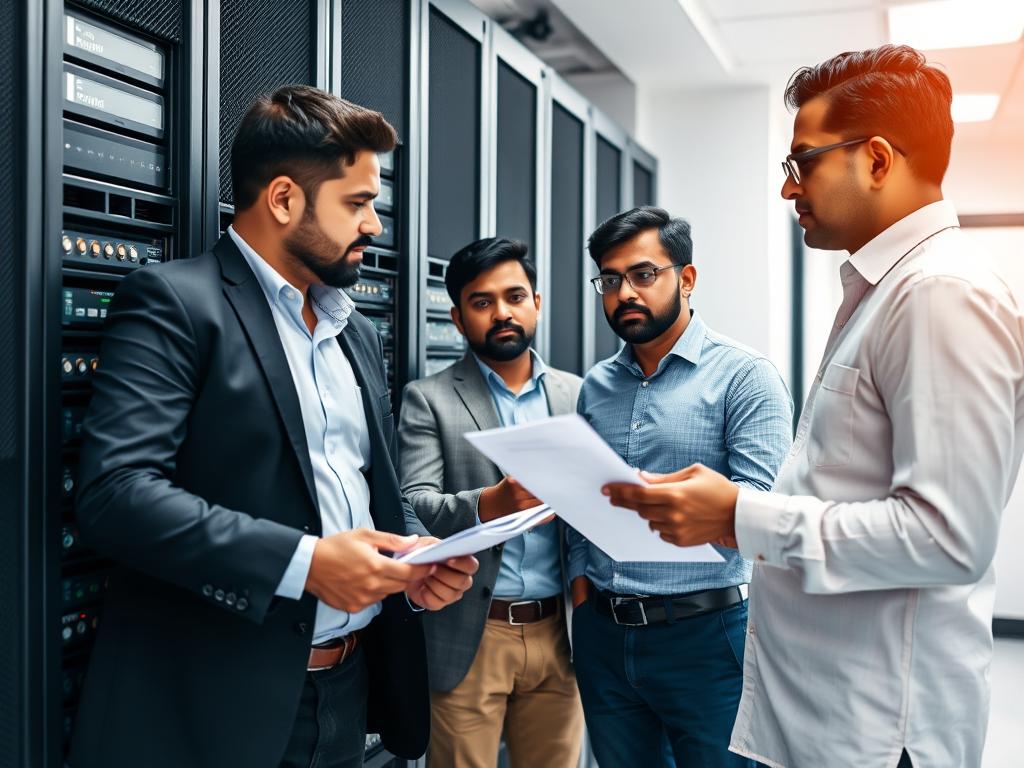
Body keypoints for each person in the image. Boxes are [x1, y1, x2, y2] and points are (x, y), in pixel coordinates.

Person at [605, 45, 1024, 768]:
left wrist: (737, 515)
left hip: (880, 735)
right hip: (833, 719)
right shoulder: (884, 291)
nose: (788, 190)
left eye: (803, 163)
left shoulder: (939, 295)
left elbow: (949, 539)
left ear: (879, 160)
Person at [69, 85, 477, 768]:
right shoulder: (178, 302)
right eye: (358, 203)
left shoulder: (353, 331)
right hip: (223, 701)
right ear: (284, 199)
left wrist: (412, 556)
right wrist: (308, 564)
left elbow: (364, 483)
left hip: (347, 693)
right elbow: (116, 494)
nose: (375, 225)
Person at [568, 206, 793, 767]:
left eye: (643, 275)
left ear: (686, 279)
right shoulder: (596, 386)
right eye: (611, 279)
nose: (625, 294)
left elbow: (761, 514)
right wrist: (579, 581)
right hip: (605, 636)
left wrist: (677, 503)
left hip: (705, 635)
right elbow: (579, 499)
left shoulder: (746, 376)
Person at [399, 237, 584, 768]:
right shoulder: (427, 398)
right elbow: (415, 502)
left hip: (560, 632)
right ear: (458, 318)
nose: (502, 312)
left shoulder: (577, 396)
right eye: (482, 302)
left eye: (514, 296)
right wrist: (491, 502)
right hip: (471, 634)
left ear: (537, 303)